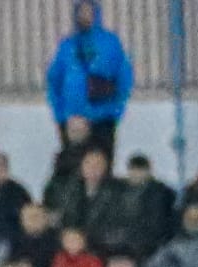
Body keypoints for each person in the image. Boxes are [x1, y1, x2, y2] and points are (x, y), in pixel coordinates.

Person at [46, 0, 133, 162]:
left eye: (89, 11)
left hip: (102, 119)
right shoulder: (67, 46)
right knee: (72, 166)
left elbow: (124, 79)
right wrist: (62, 116)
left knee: (101, 164)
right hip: (72, 121)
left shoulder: (110, 43)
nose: (85, 16)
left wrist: (114, 111)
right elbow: (54, 81)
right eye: (81, 12)